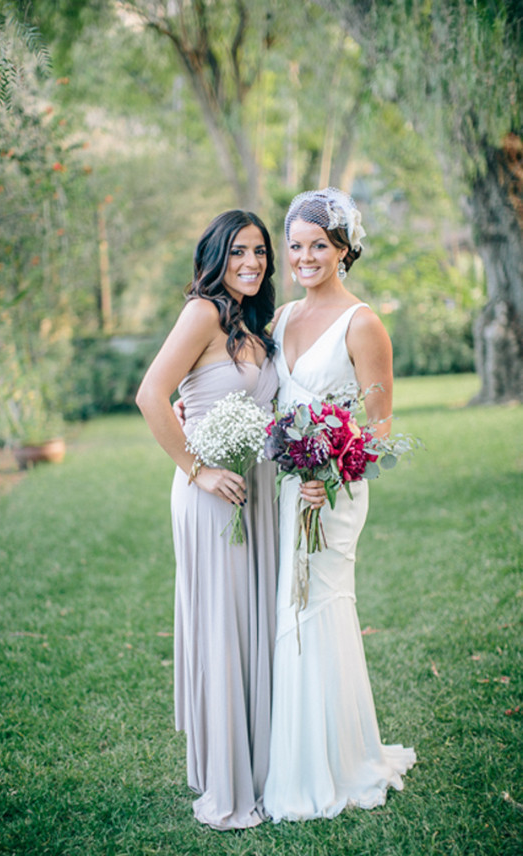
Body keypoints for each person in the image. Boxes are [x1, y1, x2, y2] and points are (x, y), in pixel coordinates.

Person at [263, 187, 416, 821]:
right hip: (287, 492)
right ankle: (298, 757)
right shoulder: (279, 320)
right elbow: (269, 403)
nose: (303, 257)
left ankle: (342, 761)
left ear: (344, 249)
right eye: (295, 246)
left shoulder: (362, 322)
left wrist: (330, 468)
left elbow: (379, 429)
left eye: (317, 246)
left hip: (335, 493)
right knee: (289, 611)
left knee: (320, 606)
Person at [136, 209, 281, 830]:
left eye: (260, 252)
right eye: (238, 251)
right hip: (210, 493)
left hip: (257, 495)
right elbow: (151, 395)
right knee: (225, 625)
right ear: (215, 257)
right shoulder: (202, 314)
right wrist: (198, 470)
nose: (251, 262)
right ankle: (228, 780)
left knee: (254, 621)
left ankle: (262, 764)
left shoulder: (255, 325)